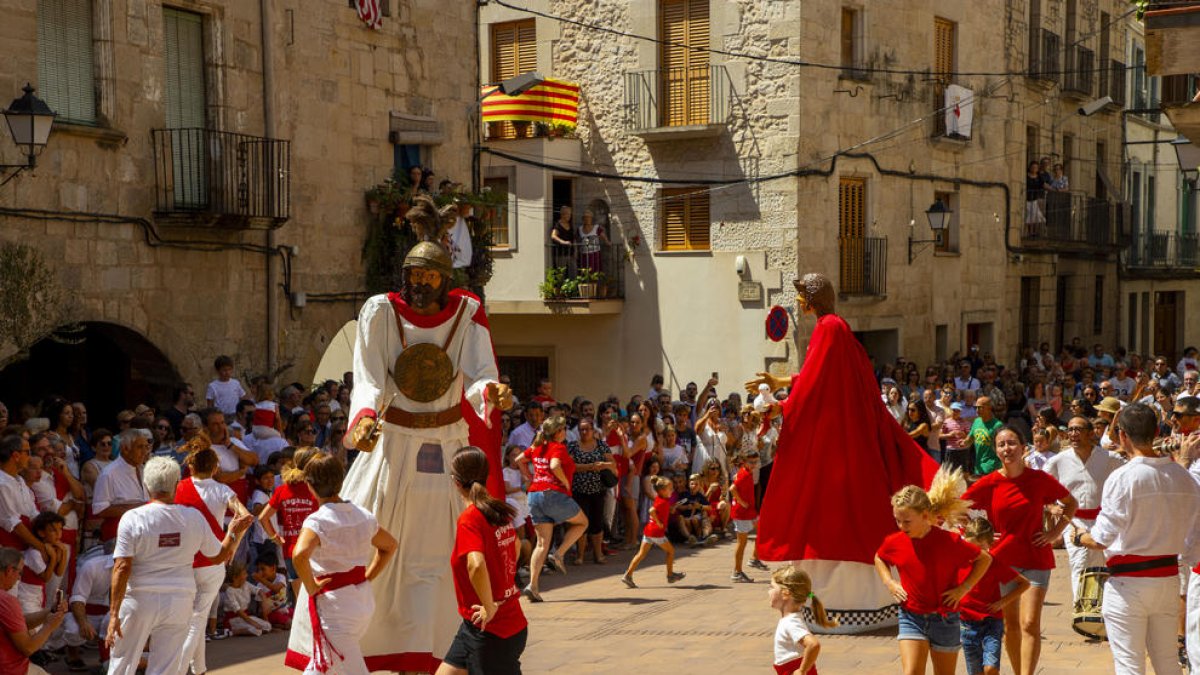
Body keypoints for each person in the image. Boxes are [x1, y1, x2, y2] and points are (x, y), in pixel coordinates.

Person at [328, 199, 512, 670]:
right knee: (372, 537)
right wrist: (364, 418)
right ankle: (363, 643)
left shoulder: (467, 314)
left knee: (446, 552)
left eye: (431, 277)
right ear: (405, 275)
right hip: (393, 446)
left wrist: (493, 394)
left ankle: (450, 649)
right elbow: (367, 377)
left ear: (445, 279)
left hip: (447, 445)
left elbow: (480, 374)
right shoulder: (380, 313)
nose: (422, 284)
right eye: (416, 275)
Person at [748, 273, 938, 630]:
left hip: (838, 439)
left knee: (827, 514)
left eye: (802, 296)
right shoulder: (838, 327)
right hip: (848, 434)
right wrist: (784, 383)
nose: (799, 303)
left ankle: (833, 612)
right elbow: (822, 375)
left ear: (811, 299)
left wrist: (782, 407)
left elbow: (818, 383)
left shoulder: (828, 328)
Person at [1072, 404, 1200, 675]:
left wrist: (1081, 537)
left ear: (1122, 436)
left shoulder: (1123, 477)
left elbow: (1102, 537)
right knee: (1167, 663)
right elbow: (1194, 542)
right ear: (1155, 432)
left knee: (1130, 666)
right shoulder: (1184, 478)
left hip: (1128, 583)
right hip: (1167, 580)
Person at [105, 457, 252, 675]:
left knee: (122, 664)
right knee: (166, 668)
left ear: (146, 485)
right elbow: (219, 556)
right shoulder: (194, 517)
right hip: (179, 600)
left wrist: (114, 613)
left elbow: (122, 567)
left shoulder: (132, 518)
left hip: (140, 599)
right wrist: (232, 532)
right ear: (176, 485)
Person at [962, 427, 1076, 675]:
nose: (1006, 449)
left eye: (1011, 443)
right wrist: (977, 534)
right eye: (1001, 445)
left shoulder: (1039, 479)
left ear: (1024, 447)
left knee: (1030, 622)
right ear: (996, 450)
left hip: (1035, 557)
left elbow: (1071, 503)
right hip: (1002, 562)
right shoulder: (990, 482)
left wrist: (1054, 533)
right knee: (1011, 625)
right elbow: (958, 507)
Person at [286, 454, 398, 675]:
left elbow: (299, 555)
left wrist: (309, 586)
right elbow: (390, 546)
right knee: (321, 665)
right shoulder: (363, 516)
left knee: (342, 667)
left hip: (336, 609)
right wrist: (367, 576)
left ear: (310, 485)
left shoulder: (318, 521)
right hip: (361, 600)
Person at [874, 468, 991, 675]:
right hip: (911, 616)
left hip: (946, 619)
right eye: (897, 520)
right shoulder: (895, 542)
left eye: (906, 521)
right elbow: (879, 557)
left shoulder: (949, 541)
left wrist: (964, 588)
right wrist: (890, 582)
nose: (901, 526)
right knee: (911, 672)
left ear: (925, 515)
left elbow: (984, 559)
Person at [436, 447, 526, 675]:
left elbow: (475, 564)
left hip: (491, 630)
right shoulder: (497, 510)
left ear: (455, 481)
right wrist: (502, 583)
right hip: (483, 625)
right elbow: (515, 545)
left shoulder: (470, 519)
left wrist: (489, 606)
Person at [175, 437, 250, 675]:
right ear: (215, 468)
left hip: (184, 561)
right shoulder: (223, 490)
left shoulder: (178, 487)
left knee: (195, 619)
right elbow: (245, 517)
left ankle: (199, 669)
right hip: (214, 560)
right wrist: (232, 548)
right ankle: (179, 670)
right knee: (197, 621)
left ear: (191, 466)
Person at [1044, 416, 1124, 607]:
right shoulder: (1058, 461)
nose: (1073, 434)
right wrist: (1051, 506)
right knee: (1079, 562)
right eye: (1070, 429)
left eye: (1078, 429)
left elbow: (1129, 473)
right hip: (1073, 521)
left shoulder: (1109, 458)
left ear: (1091, 433)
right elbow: (1042, 488)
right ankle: (1080, 611)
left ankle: (1100, 609)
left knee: (1102, 563)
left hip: (1102, 520)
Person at [520, 417, 587, 602]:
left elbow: (519, 459)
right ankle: (558, 554)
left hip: (534, 496)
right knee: (583, 523)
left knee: (541, 544)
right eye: (564, 428)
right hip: (553, 494)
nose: (566, 431)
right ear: (558, 432)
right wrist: (564, 480)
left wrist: (529, 477)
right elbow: (555, 465)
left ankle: (532, 586)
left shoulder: (536, 446)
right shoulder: (557, 447)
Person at [958, 517, 1031, 675]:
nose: (977, 553)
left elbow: (1024, 583)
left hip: (992, 622)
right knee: (976, 672)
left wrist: (1002, 602)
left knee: (991, 669)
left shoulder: (994, 563)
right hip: (967, 623)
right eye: (972, 548)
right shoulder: (960, 561)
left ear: (990, 544)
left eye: (981, 548)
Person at [260, 448, 321, 600]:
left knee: (300, 597)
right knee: (316, 598)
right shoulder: (317, 489)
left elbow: (263, 517)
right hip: (313, 550)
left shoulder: (281, 490)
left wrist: (274, 536)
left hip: (290, 551)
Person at [0, 546, 67, 675]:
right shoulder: (6, 600)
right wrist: (49, 626)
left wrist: (50, 612)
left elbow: (17, 623)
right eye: (19, 572)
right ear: (9, 570)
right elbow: (28, 648)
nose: (19, 578)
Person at [770, 565, 837, 675]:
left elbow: (813, 644)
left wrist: (802, 670)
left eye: (772, 587)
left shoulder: (791, 622)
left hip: (792, 669)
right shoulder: (789, 619)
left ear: (785, 593)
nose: (769, 591)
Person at [620, 475, 685, 588]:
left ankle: (628, 575)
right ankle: (670, 575)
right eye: (670, 488)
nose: (672, 490)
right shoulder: (663, 502)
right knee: (670, 551)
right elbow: (652, 510)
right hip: (656, 533)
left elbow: (661, 511)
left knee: (641, 554)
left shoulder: (661, 499)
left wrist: (671, 509)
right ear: (662, 490)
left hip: (649, 531)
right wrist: (658, 522)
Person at [92, 429, 150, 548]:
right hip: (119, 538)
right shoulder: (109, 474)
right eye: (140, 447)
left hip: (145, 536)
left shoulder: (145, 469)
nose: (145, 452)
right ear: (125, 449)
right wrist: (141, 508)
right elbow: (100, 509)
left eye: (146, 446)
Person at [567, 419, 615, 565]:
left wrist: (602, 465)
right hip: (579, 491)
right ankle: (580, 556)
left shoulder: (601, 445)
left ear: (593, 430)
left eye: (587, 429)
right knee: (581, 523)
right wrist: (589, 466)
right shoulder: (573, 446)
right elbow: (570, 466)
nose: (584, 432)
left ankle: (598, 554)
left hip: (598, 490)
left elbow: (612, 463)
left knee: (597, 523)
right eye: (581, 429)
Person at [730, 450, 768, 582]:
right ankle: (737, 572)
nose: (753, 464)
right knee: (742, 543)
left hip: (750, 512)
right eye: (751, 462)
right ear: (744, 462)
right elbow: (732, 489)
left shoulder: (745, 472)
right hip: (741, 513)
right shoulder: (744, 475)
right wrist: (741, 502)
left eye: (755, 462)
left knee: (762, 530)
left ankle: (754, 559)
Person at [969, 397, 1004, 476]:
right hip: (978, 467)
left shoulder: (998, 425)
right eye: (976, 407)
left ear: (989, 408)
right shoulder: (976, 421)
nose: (977, 410)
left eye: (980, 407)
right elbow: (970, 439)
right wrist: (963, 442)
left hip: (992, 467)